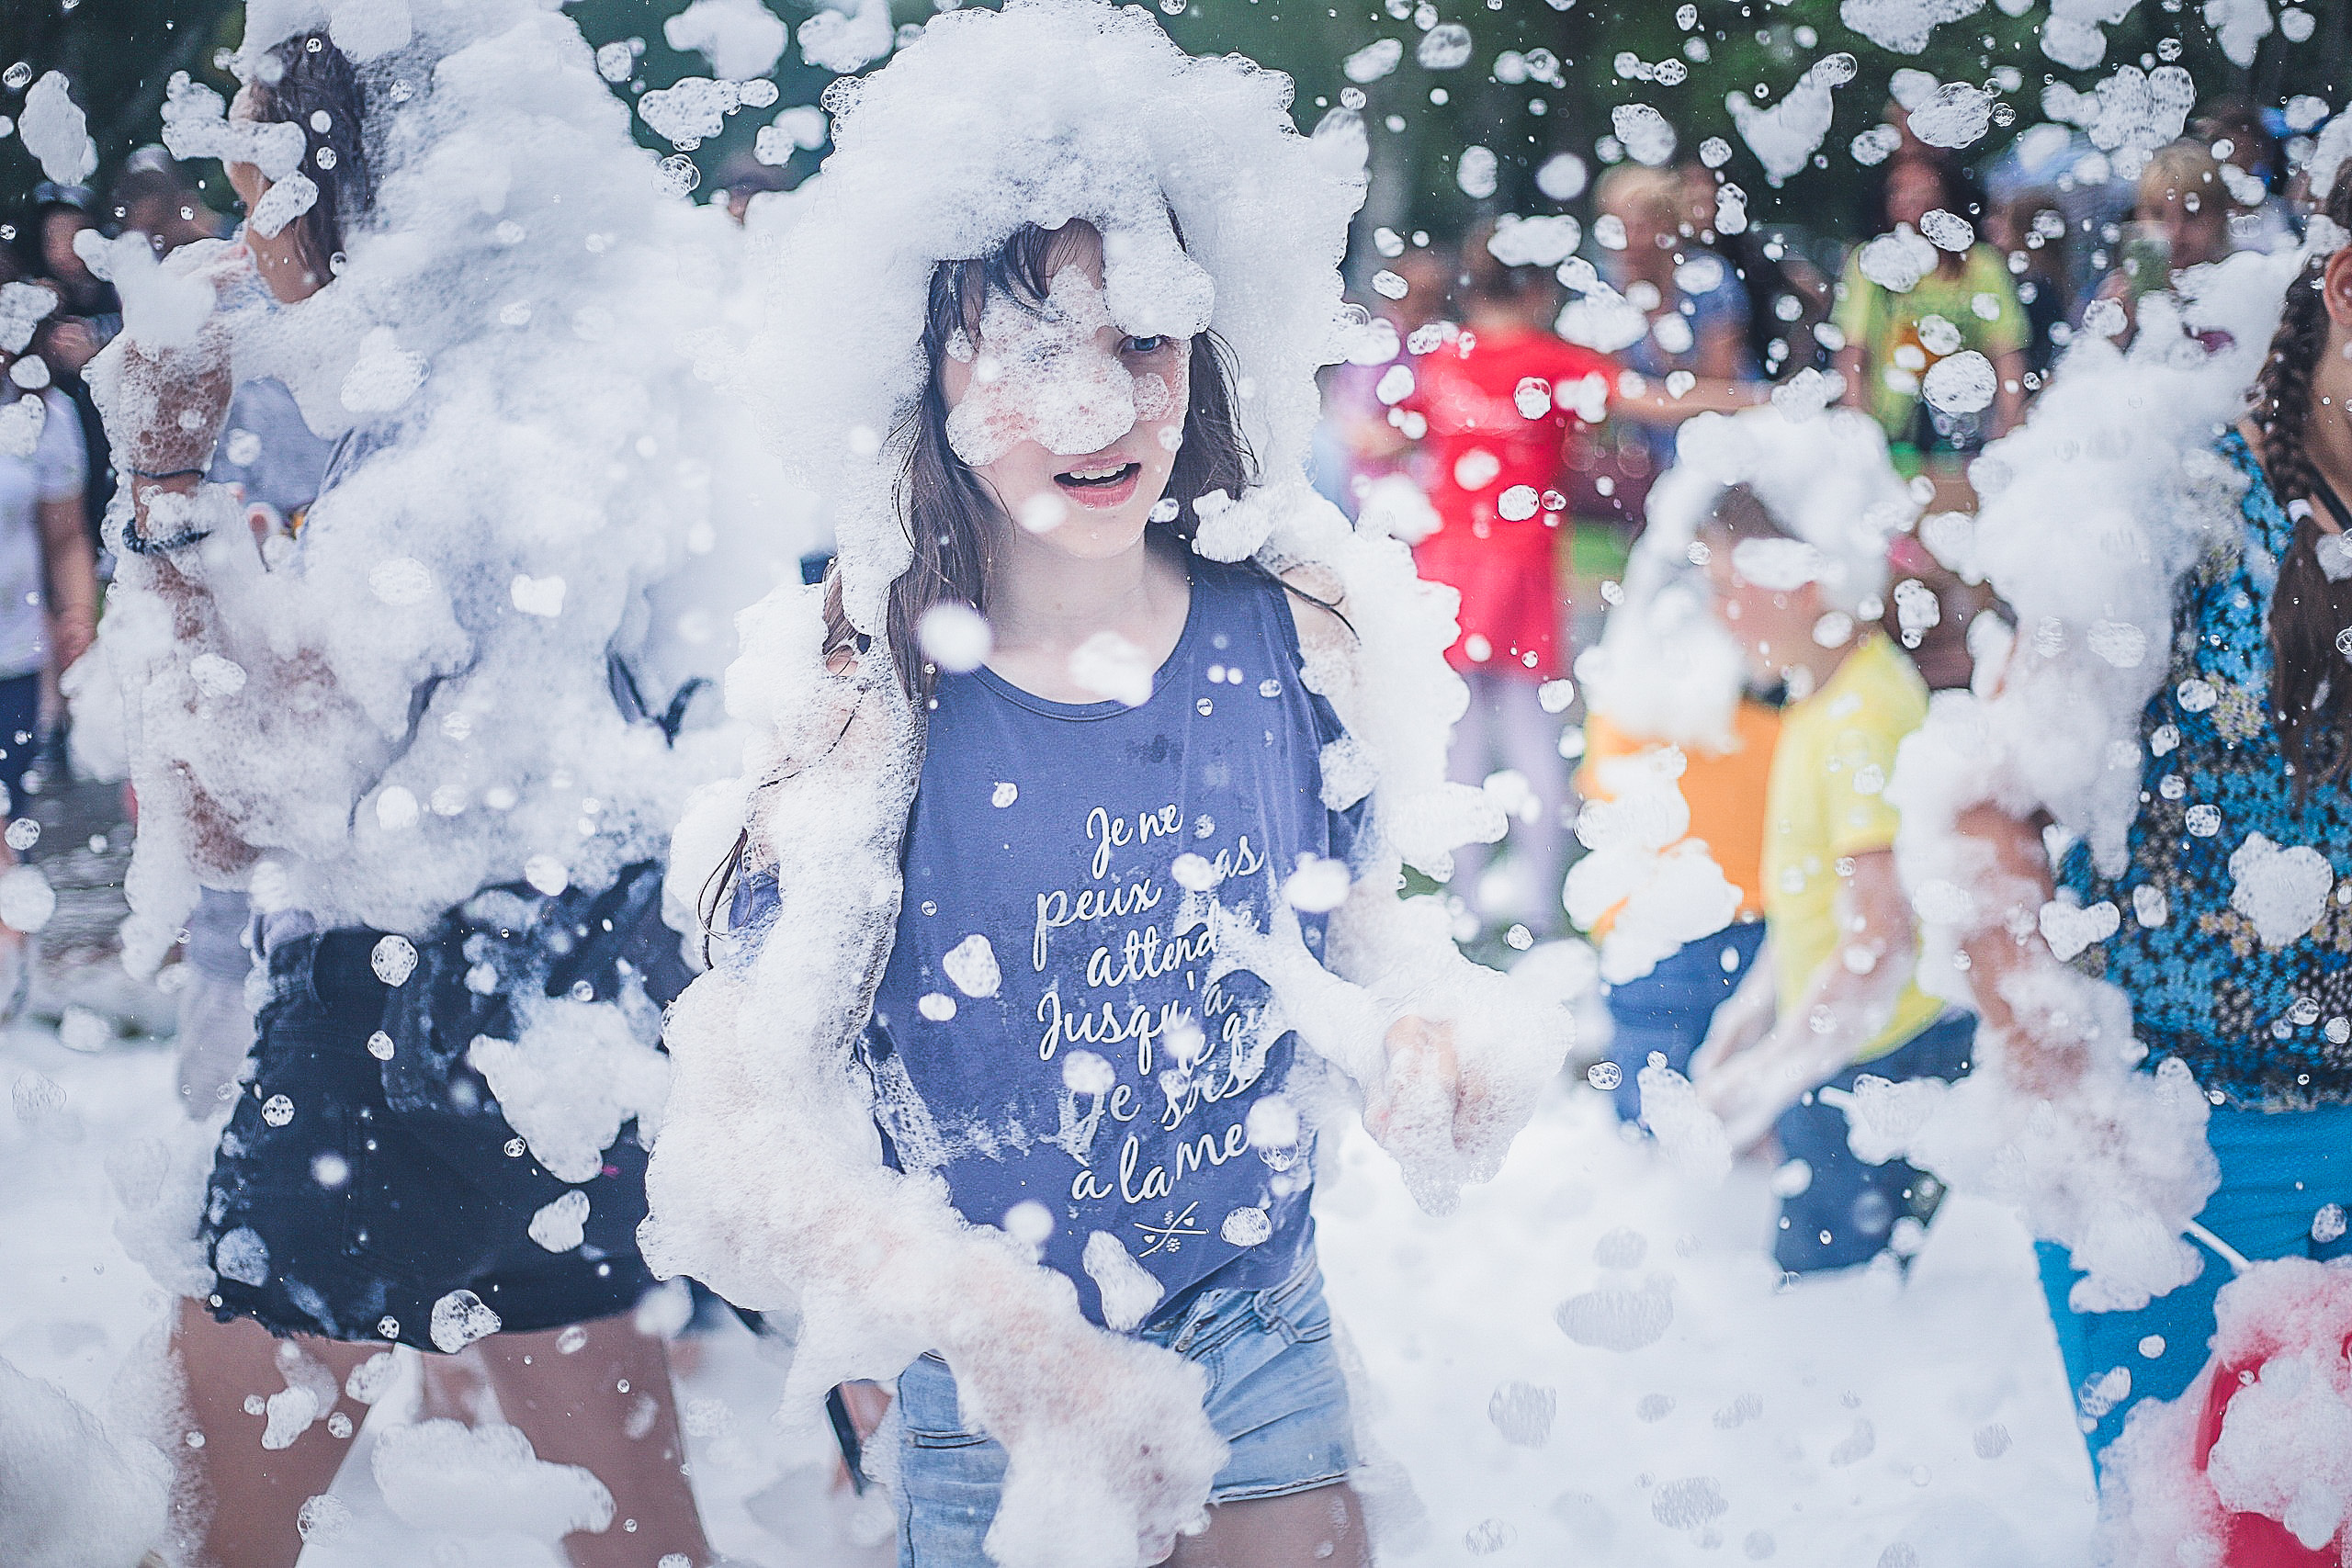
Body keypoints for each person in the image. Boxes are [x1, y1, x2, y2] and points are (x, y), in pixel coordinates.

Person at [641, 7, 1568, 1564]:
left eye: (1140, 342)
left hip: (1257, 1310)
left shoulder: (1300, 632)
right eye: (1030, 349)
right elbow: (738, 1143)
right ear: (927, 373)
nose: (1095, 406)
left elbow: (1357, 935)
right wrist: (961, 1320)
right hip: (993, 1366)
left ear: (1203, 347)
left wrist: (1432, 1036)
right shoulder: (872, 698)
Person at [86, 28, 731, 1568]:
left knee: (229, 1484)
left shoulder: (445, 454)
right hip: (576, 974)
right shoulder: (569, 372)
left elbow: (265, 794)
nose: (243, 228)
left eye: (258, 180)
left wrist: (168, 496)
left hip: (398, 993)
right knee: (614, 1469)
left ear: (348, 180)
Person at [1940, 171, 2352, 1464]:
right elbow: (1985, 812)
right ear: (2346, 283)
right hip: (2181, 1152)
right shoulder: (2163, 504)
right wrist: (2061, 1076)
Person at [1677, 408, 1977, 1275]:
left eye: (1733, 590)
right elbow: (1822, 896)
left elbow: (1880, 942)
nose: (1721, 616)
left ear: (1807, 581)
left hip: (1875, 1058)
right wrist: (1756, 1006)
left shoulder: (1856, 722)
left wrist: (1775, 1071)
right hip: (1848, 1044)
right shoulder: (1832, 686)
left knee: (1830, 1293)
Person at [1399, 236, 1614, 937]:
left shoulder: (1442, 359)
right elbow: (1643, 403)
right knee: (1530, 731)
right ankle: (1541, 906)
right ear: (1538, 292)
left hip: (1447, 562)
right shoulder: (1553, 362)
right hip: (1520, 563)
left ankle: (1462, 900)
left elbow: (1396, 438)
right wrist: (1755, 400)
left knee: (1459, 731)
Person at [0, 279, 99, 1010]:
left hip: (12, 654)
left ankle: (9, 975)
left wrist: (78, 617)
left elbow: (65, 536)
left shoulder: (41, 415)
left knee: (9, 811)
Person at [1834, 151, 2029, 489]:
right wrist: (1858, 435)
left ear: (1947, 200)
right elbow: (1852, 353)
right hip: (1891, 437)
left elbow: (2007, 355)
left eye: (1923, 192)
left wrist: (2007, 435)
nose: (1910, 202)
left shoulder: (1981, 266)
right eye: (1899, 192)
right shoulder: (1871, 265)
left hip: (1964, 438)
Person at [1594, 164, 1768, 472]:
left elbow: (1720, 386)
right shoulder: (1602, 291)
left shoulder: (1708, 281)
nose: (1626, 241)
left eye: (1638, 227)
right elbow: (1610, 394)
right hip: (1648, 456)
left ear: (1667, 227)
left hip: (1724, 446)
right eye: (1614, 229)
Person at [2089, 141, 2234, 349]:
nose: (2175, 232)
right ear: (2138, 217)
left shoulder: (2241, 289)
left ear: (2221, 216)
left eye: (2192, 213)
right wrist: (2112, 343)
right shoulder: (2120, 296)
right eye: (2158, 213)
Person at [110, 147, 232, 257]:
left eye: (155, 188)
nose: (147, 203)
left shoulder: (225, 237)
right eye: (135, 194)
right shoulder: (136, 258)